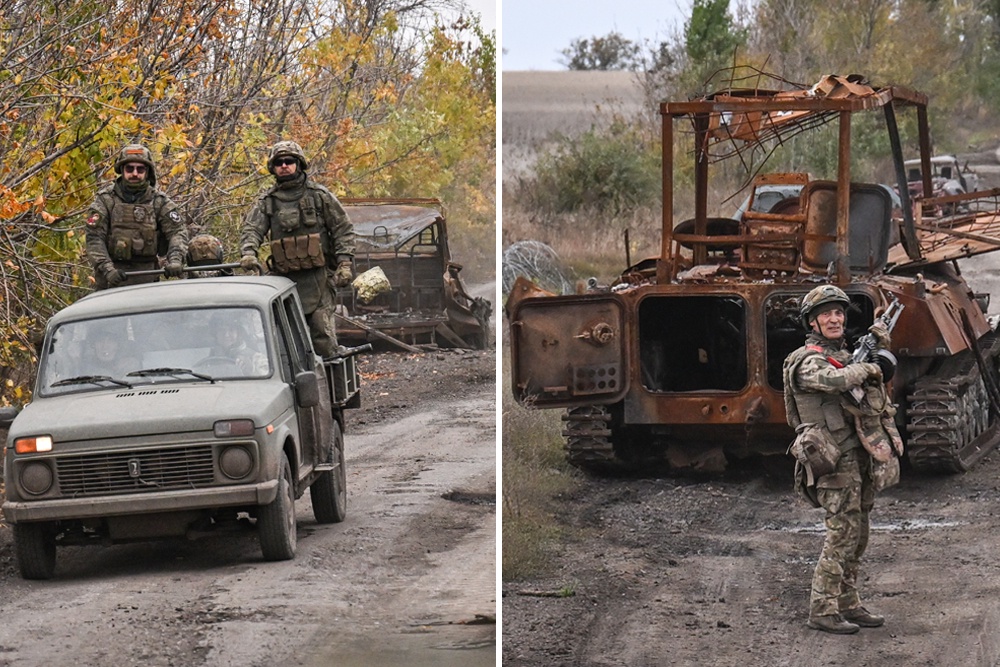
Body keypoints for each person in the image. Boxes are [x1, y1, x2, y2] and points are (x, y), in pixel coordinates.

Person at [782, 284, 899, 635]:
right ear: (812, 322)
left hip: (856, 455)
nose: (835, 319)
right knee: (841, 535)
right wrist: (866, 369)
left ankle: (848, 602)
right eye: (826, 314)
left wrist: (877, 352)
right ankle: (822, 608)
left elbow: (866, 391)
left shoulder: (845, 355)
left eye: (839, 313)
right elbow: (834, 380)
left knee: (858, 533)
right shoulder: (805, 360)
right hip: (832, 460)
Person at [238, 140, 355, 357]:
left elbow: (342, 229)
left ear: (299, 164)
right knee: (288, 344)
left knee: (324, 338)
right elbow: (252, 229)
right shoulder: (268, 202)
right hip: (284, 282)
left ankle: (334, 389)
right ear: (273, 168)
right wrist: (248, 253)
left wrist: (345, 263)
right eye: (279, 162)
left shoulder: (319, 196)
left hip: (319, 278)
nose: (284, 165)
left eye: (289, 161)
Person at [86, 144, 188, 290]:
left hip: (148, 279)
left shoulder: (159, 202)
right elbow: (94, 238)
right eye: (129, 169)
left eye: (140, 169)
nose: (135, 173)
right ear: (122, 170)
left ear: (147, 172)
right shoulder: (106, 200)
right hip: (110, 280)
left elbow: (177, 232)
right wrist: (108, 269)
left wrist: (176, 260)